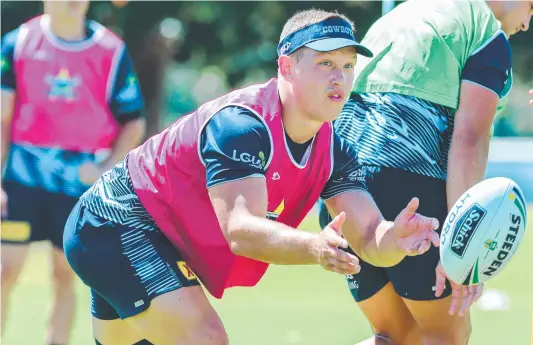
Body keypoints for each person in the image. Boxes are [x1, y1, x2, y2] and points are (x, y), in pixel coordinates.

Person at [63, 9, 441, 345]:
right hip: (115, 224)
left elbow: (371, 235)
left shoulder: (333, 148)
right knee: (206, 339)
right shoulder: (242, 125)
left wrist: (397, 238)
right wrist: (314, 247)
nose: (339, 77)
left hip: (162, 241)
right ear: (287, 67)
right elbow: (242, 230)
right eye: (325, 63)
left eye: (347, 66)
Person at [317, 1, 533, 344]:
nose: (528, 23)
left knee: (397, 336)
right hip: (408, 195)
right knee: (446, 335)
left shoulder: (401, 15)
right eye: (532, 6)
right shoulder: (485, 33)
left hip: (342, 187)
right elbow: (470, 137)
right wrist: (462, 250)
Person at [0, 1, 145, 344]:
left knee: (66, 275)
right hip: (21, 181)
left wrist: (104, 170)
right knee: (4, 270)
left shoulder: (111, 50)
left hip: (77, 187)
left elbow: (133, 122)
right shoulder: (16, 43)